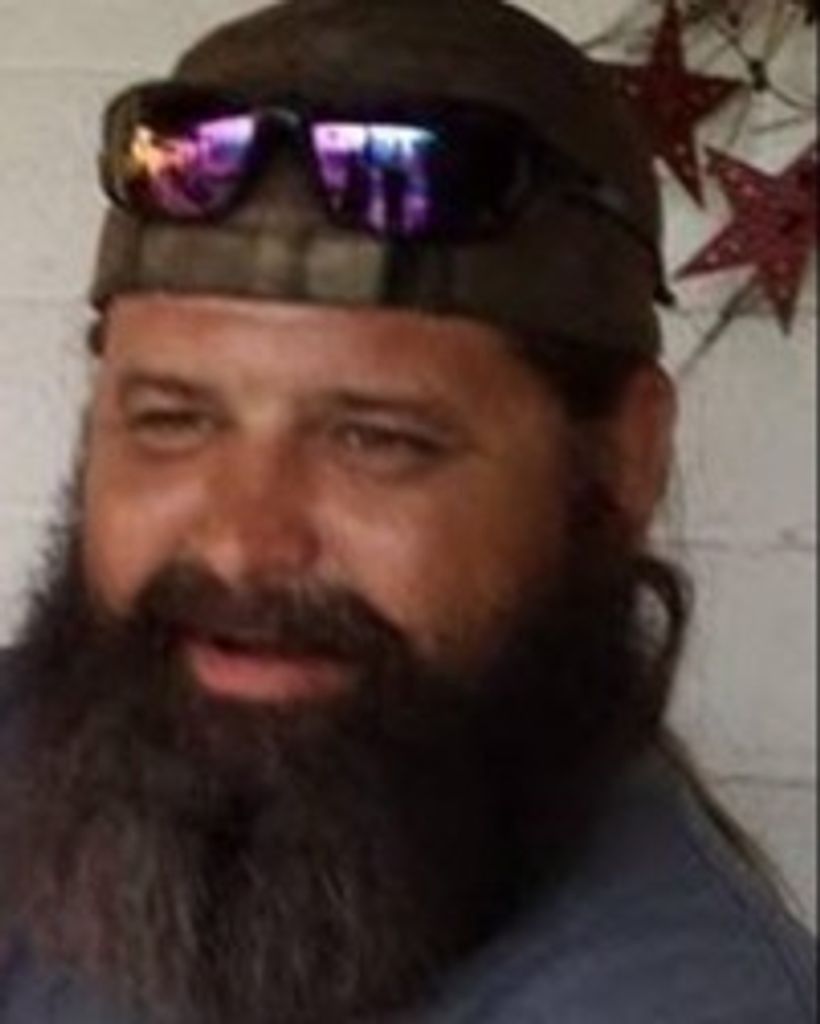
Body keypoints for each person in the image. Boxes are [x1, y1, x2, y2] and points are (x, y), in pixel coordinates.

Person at [0, 1, 815, 1022]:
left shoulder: (675, 998)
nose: (241, 542)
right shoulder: (51, 731)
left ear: (620, 461)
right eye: (170, 421)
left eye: (376, 440)